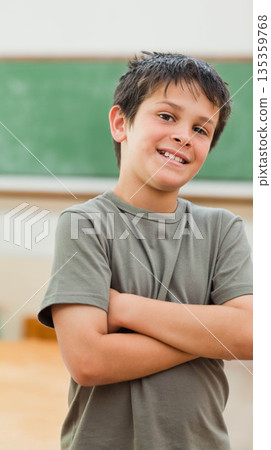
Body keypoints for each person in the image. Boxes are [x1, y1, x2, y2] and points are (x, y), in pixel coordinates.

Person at [38, 52, 253, 450]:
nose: (184, 136)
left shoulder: (222, 229)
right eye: (167, 117)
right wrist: (209, 335)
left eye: (202, 129)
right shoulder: (84, 223)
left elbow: (251, 335)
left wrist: (124, 308)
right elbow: (89, 361)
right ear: (121, 123)